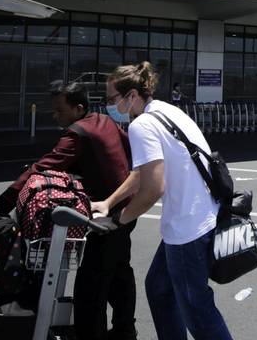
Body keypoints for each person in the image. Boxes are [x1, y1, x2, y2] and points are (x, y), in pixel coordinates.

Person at [0, 83, 137, 340]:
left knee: (91, 284)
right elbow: (129, 151)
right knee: (119, 273)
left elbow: (40, 169)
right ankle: (125, 330)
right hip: (128, 208)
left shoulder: (76, 134)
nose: (55, 116)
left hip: (103, 215)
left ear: (78, 108)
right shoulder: (105, 120)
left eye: (59, 111)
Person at [94, 62, 232, 340]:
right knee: (159, 288)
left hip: (187, 230)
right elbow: (143, 171)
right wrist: (109, 202)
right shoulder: (166, 111)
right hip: (203, 215)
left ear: (131, 95)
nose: (109, 105)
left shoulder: (142, 125)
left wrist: (119, 220)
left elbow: (153, 188)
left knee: (198, 311)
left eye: (111, 99)